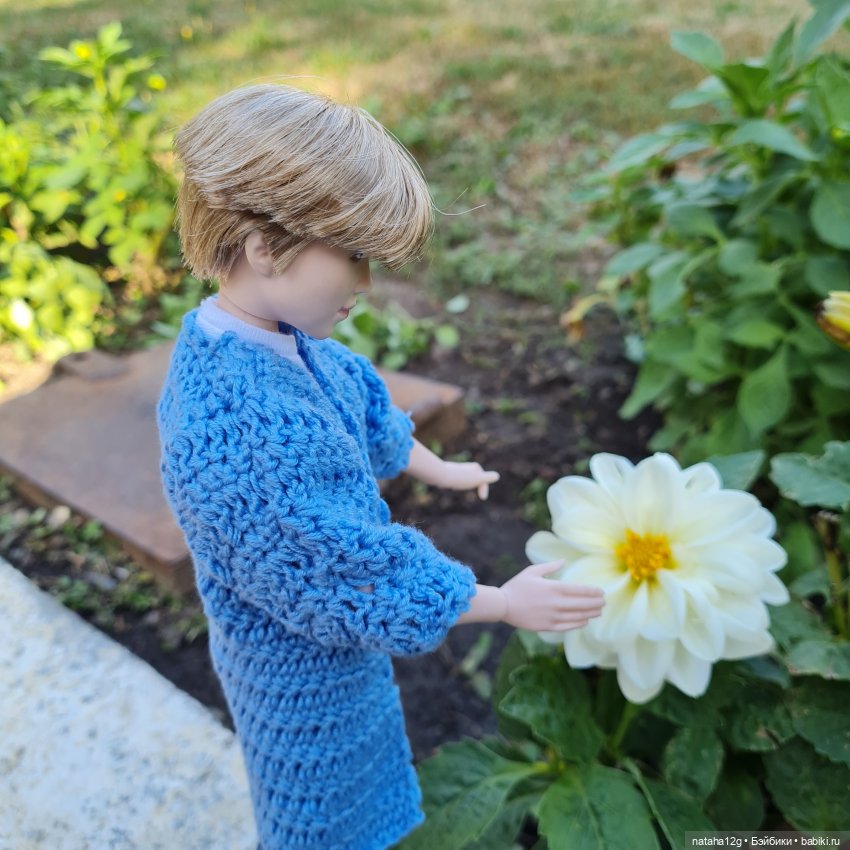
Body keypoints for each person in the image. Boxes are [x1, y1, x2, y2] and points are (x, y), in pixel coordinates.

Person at [156, 83, 605, 850]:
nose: (366, 286)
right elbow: (343, 568)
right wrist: (500, 602)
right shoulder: (238, 433)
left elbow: (357, 403)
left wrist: (435, 465)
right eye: (356, 258)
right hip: (298, 675)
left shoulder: (267, 339)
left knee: (361, 780)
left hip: (334, 649)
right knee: (322, 813)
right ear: (265, 247)